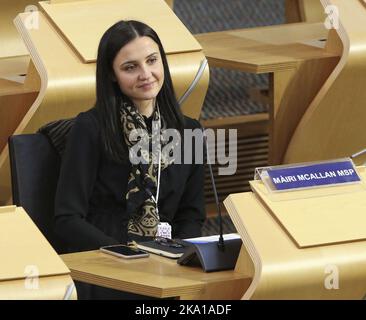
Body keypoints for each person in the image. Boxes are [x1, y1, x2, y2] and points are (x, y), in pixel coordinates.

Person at [54, 19, 206, 297]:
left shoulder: (190, 131)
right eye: (130, 67)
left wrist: (177, 255)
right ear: (112, 74)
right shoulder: (90, 128)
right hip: (107, 262)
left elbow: (192, 214)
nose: (146, 74)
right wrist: (128, 256)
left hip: (167, 263)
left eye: (152, 61)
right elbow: (68, 218)